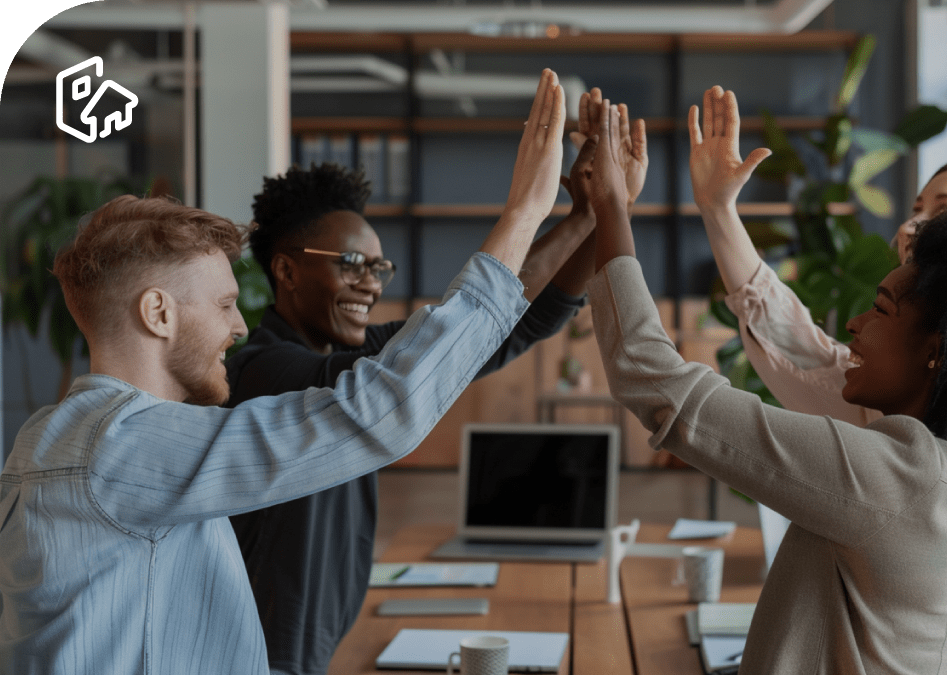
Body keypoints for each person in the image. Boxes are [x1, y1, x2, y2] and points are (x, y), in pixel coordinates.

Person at [0, 68, 566, 674]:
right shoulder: (124, 447)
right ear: (157, 313)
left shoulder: (48, 436)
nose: (240, 328)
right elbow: (376, 414)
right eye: (223, 305)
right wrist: (524, 213)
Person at [578, 95, 947, 673]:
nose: (853, 325)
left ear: (937, 351)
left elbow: (657, 382)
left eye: (881, 308)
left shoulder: (893, 478)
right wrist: (718, 210)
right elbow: (800, 347)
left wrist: (610, 206)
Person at [223, 89, 647, 675]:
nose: (370, 284)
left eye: (378, 267)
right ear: (287, 269)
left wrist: (593, 214)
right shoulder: (264, 371)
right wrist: (544, 212)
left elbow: (523, 324)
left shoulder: (353, 354)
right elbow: (437, 351)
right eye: (350, 264)